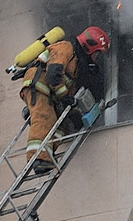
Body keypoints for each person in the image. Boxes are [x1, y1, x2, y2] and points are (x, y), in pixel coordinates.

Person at [19, 25, 110, 174]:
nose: (96, 58)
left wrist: (76, 117)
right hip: (39, 85)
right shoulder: (66, 48)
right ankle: (37, 158)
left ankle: (46, 155)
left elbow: (69, 93)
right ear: (89, 46)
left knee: (62, 127)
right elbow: (53, 74)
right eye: (97, 54)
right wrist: (65, 97)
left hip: (50, 93)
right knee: (44, 118)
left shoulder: (76, 65)